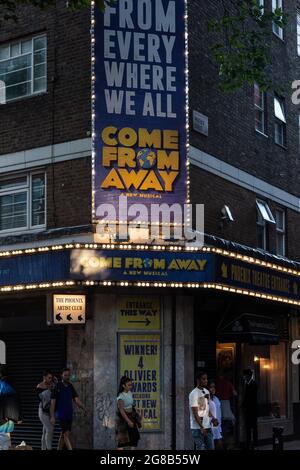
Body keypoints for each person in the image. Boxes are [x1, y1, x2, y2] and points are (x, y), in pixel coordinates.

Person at [50, 368, 86, 450]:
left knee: (64, 434)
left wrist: (84, 408)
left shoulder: (70, 386)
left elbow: (76, 400)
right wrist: (52, 416)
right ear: (61, 376)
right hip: (61, 414)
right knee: (66, 434)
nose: (67, 377)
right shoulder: (58, 386)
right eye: (65, 375)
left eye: (68, 375)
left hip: (69, 414)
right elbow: (53, 402)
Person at [189, 371, 216, 450]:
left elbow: (205, 409)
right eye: (203, 379)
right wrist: (201, 427)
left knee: (211, 447)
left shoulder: (207, 391)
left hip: (207, 426)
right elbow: (195, 412)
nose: (206, 381)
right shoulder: (193, 394)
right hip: (198, 428)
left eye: (206, 379)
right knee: (201, 448)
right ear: (198, 380)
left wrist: (213, 418)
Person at [0, 364, 22, 450]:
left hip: (2, 421)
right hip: (9, 421)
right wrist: (19, 417)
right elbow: (18, 402)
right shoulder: (12, 385)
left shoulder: (2, 386)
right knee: (6, 443)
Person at [116, 376, 141, 450]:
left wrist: (137, 415)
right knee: (122, 441)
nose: (131, 386)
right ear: (123, 386)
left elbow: (131, 405)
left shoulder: (129, 393)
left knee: (134, 439)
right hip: (124, 420)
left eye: (131, 384)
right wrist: (128, 421)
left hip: (131, 416)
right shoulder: (121, 396)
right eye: (129, 385)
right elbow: (121, 410)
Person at [216, 372, 237, 449]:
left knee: (219, 426)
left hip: (218, 403)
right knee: (225, 425)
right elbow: (235, 393)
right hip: (226, 404)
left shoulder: (217, 383)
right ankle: (224, 442)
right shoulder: (228, 383)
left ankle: (220, 443)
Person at [37, 370, 56, 450]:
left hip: (49, 411)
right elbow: (42, 399)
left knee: (45, 431)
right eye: (49, 378)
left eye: (51, 378)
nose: (50, 379)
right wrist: (49, 390)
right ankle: (49, 448)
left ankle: (43, 448)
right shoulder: (39, 386)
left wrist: (55, 382)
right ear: (44, 377)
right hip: (43, 411)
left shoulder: (52, 385)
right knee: (50, 429)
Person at [243, 369, 258, 450]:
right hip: (248, 410)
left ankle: (254, 444)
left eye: (245, 375)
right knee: (248, 427)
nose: (244, 377)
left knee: (253, 427)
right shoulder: (247, 384)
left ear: (249, 375)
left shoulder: (253, 384)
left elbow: (250, 398)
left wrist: (244, 404)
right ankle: (249, 443)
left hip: (252, 410)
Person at [209, 381, 223, 450]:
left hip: (217, 427)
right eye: (211, 387)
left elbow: (219, 414)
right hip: (208, 428)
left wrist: (220, 428)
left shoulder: (216, 399)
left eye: (214, 387)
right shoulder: (204, 399)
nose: (213, 389)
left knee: (219, 445)